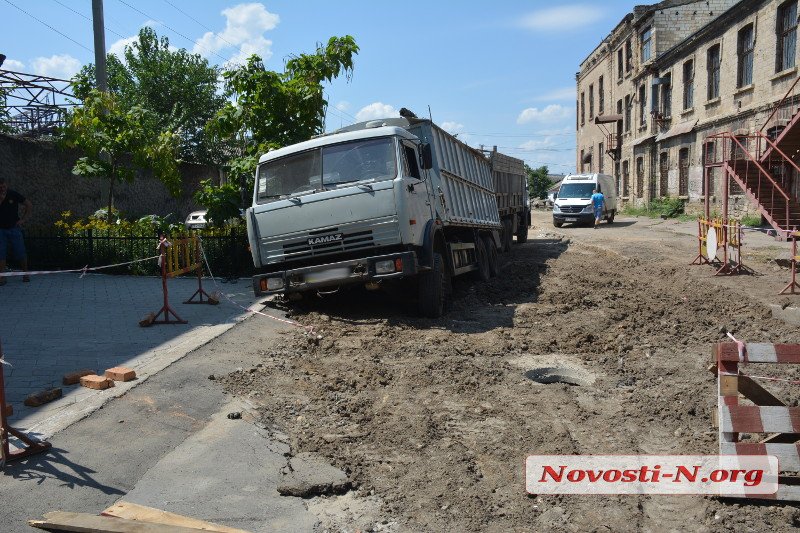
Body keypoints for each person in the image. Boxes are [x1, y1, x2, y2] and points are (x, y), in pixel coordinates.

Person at [0, 177, 32, 284]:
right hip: (0, 230)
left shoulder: (13, 194)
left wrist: (23, 220)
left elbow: (29, 205)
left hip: (14, 228)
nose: (2, 189)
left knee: (20, 251)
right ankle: (2, 277)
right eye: (0, 187)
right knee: (1, 253)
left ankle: (25, 274)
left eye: (3, 186)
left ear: (6, 185)